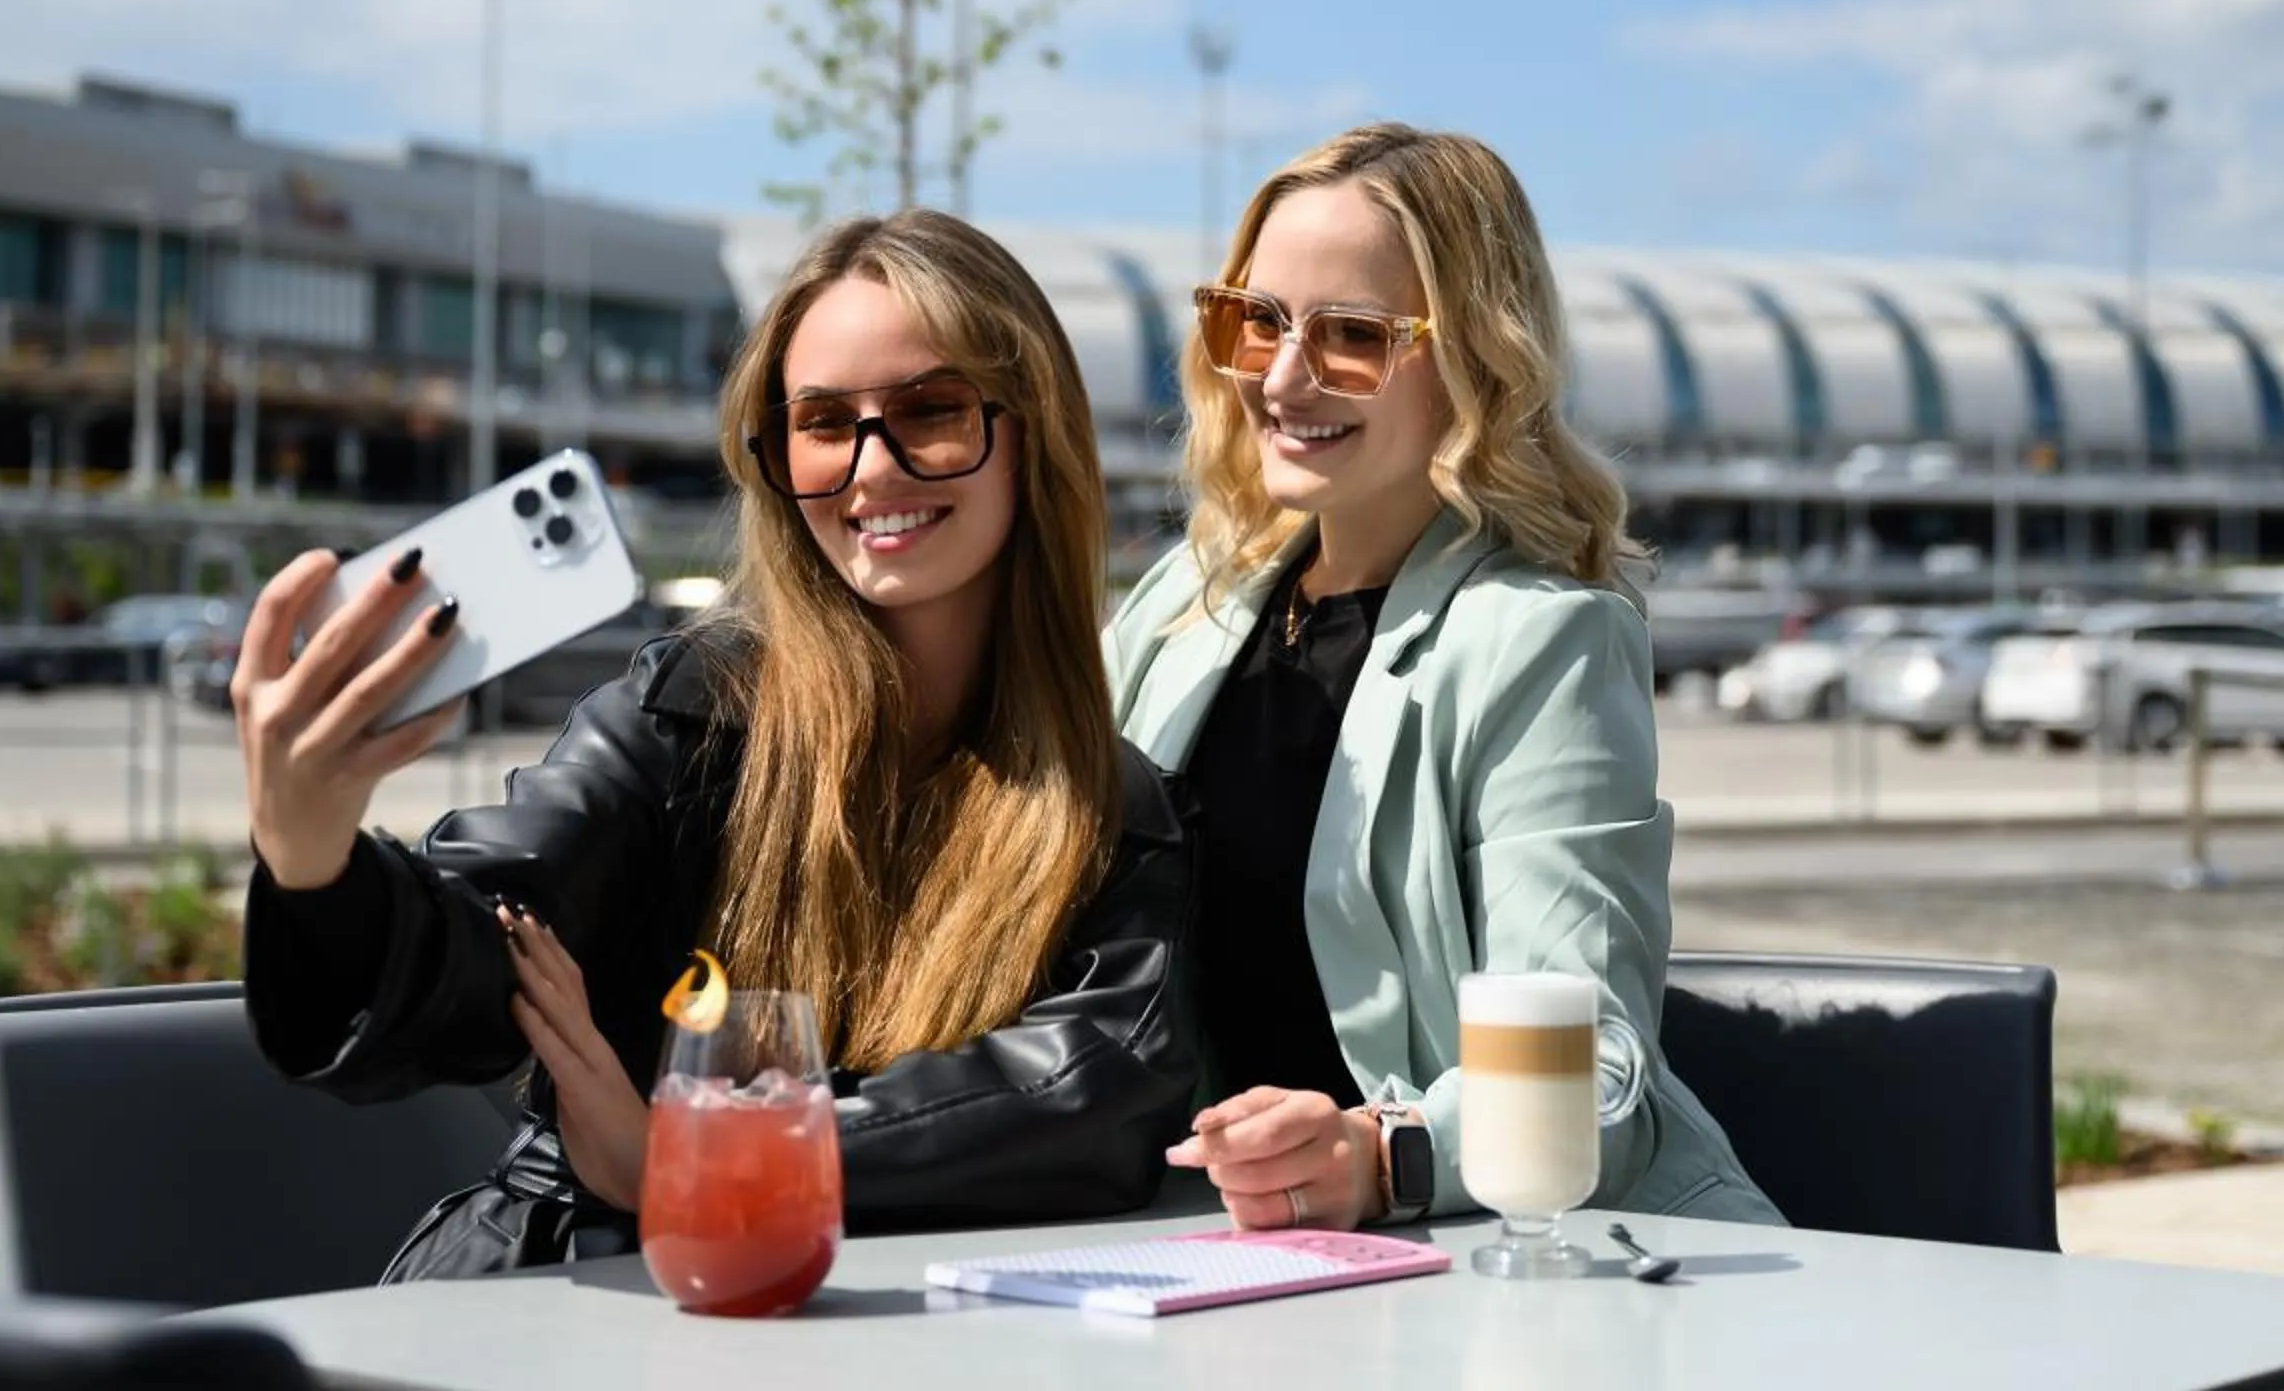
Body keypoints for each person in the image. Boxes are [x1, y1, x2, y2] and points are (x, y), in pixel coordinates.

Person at [238, 210, 1197, 1278]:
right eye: (824, 422)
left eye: (931, 409)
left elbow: (1094, 1098)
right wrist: (311, 856)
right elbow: (485, 942)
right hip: (571, 1292)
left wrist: (697, 1153)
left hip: (890, 1333)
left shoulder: (1110, 807)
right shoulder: (692, 711)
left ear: (1035, 435)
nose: (872, 470)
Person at [1108, 123, 1778, 1232]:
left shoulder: (1545, 640)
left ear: (1475, 355)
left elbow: (1592, 1066)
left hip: (1523, 1263)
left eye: (1353, 336)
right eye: (1257, 318)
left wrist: (1378, 1154)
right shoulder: (1186, 603)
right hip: (1235, 1255)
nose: (1283, 374)